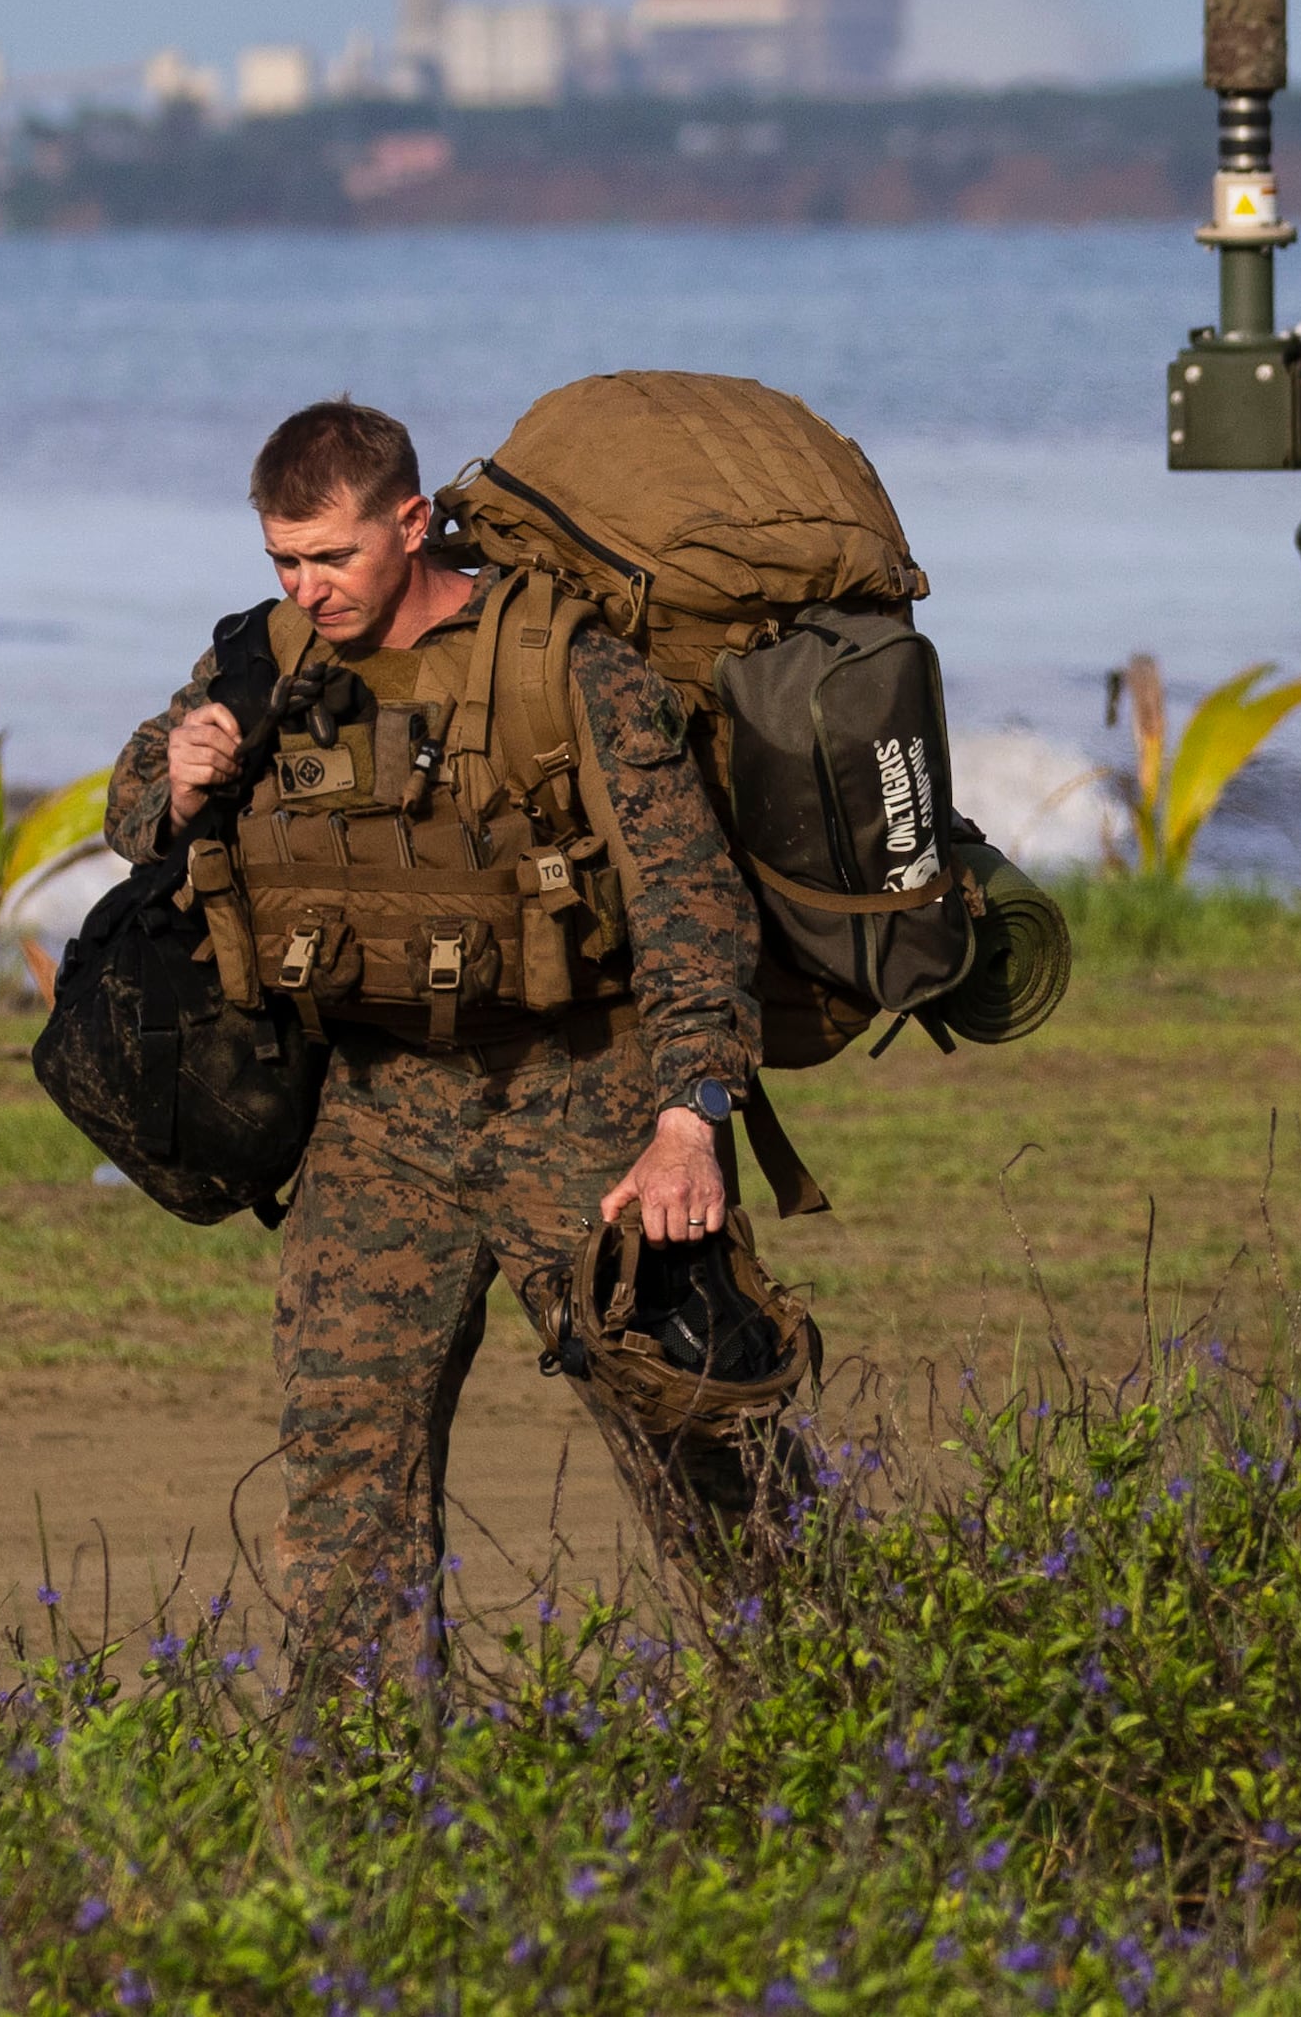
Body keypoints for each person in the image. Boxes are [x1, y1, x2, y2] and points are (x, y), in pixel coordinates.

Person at [99, 396, 783, 1684]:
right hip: (374, 1120)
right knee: (346, 1474)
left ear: (409, 525)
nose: (309, 585)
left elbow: (692, 899)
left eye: (332, 556)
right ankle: (365, 1829)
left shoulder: (561, 665)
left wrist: (690, 1117)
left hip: (585, 1101)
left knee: (703, 1453)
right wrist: (174, 781)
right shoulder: (263, 660)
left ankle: (856, 1746)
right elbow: (131, 813)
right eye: (283, 560)